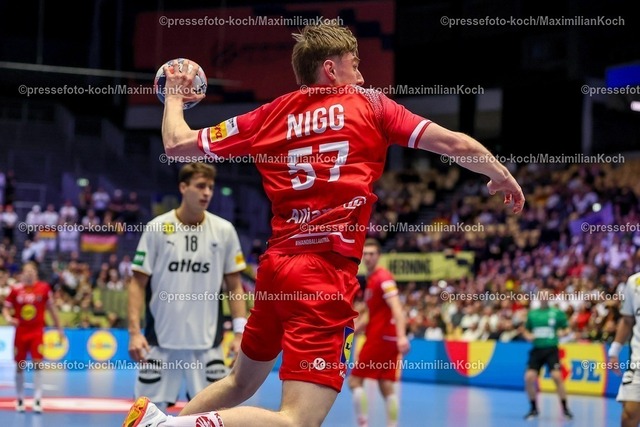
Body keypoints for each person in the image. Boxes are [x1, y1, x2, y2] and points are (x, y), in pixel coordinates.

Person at [123, 22, 525, 427]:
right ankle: (165, 424)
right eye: (355, 64)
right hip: (323, 275)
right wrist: (501, 174)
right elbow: (455, 143)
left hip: (277, 270)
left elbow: (176, 144)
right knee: (298, 419)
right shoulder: (372, 105)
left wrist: (173, 97)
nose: (362, 76)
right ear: (330, 69)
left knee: (238, 383)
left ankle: (161, 424)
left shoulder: (269, 115)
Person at [127, 162, 248, 413]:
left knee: (213, 417)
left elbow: (235, 286)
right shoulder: (157, 228)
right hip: (160, 342)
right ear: (183, 187)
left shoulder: (224, 231)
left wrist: (240, 333)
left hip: (208, 344)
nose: (207, 193)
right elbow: (137, 283)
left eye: (210, 187)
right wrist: (134, 332)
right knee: (144, 417)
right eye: (200, 186)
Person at [347, 238, 410, 427]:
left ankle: (363, 424)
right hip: (386, 338)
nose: (367, 257)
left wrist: (402, 336)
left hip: (380, 338)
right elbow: (373, 314)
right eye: (365, 254)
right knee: (386, 384)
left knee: (354, 381)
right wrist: (356, 329)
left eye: (372, 254)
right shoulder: (372, 279)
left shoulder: (383, 278)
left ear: (379, 256)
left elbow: (397, 308)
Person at [2, 261, 64, 413]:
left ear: (36, 273)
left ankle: (37, 399)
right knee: (19, 366)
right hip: (20, 332)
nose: (29, 273)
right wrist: (9, 318)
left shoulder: (44, 288)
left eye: (32, 271)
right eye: (26, 271)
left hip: (37, 332)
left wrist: (59, 328)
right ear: (22, 273)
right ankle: (20, 399)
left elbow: (52, 309)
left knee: (38, 364)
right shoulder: (15, 289)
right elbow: (6, 308)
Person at [522, 288, 573, 420]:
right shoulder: (532, 314)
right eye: (542, 295)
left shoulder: (557, 313)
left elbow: (567, 328)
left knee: (557, 377)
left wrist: (563, 332)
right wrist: (528, 336)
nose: (544, 297)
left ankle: (565, 409)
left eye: (547, 295)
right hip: (537, 349)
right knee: (529, 378)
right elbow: (526, 331)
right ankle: (533, 408)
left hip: (551, 349)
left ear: (550, 297)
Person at [609, 271, 640, 427]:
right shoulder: (634, 281)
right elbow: (627, 320)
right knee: (629, 415)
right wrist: (614, 351)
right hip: (637, 361)